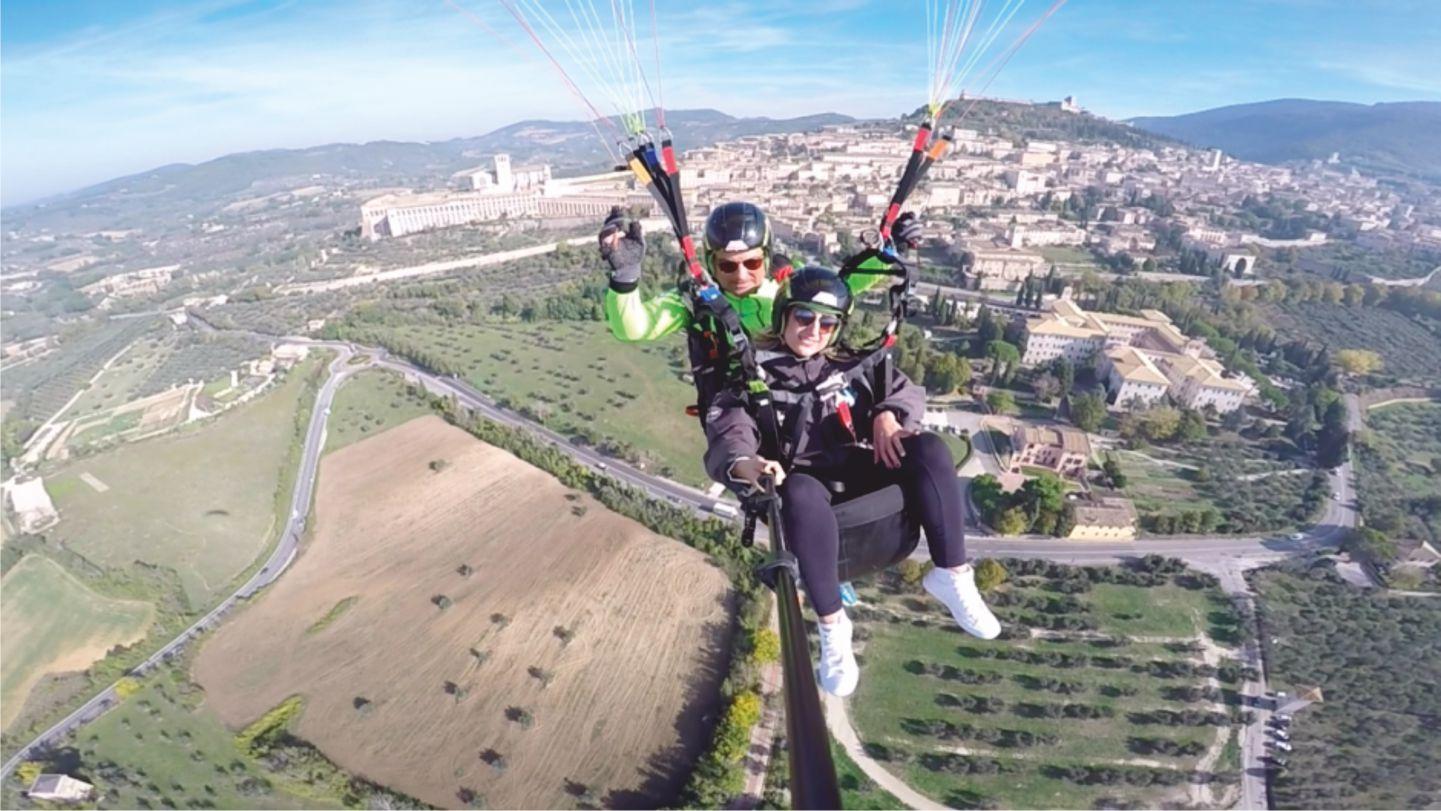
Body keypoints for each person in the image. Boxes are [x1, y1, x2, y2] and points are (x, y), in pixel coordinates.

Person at [702, 266, 1000, 697]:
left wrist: (887, 414)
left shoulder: (852, 367)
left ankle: (951, 573)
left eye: (827, 323)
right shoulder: (753, 376)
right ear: (784, 315)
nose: (814, 330)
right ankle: (832, 627)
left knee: (931, 449)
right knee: (799, 491)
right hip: (804, 484)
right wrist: (749, 466)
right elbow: (731, 432)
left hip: (861, 468)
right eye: (804, 317)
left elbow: (904, 392)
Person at [598, 202, 923, 420]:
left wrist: (888, 253)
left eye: (751, 263)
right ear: (711, 263)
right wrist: (625, 278)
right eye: (727, 265)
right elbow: (634, 328)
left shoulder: (787, 289)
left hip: (807, 403)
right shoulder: (697, 303)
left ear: (766, 258)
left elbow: (840, 288)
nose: (740, 275)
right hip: (745, 419)